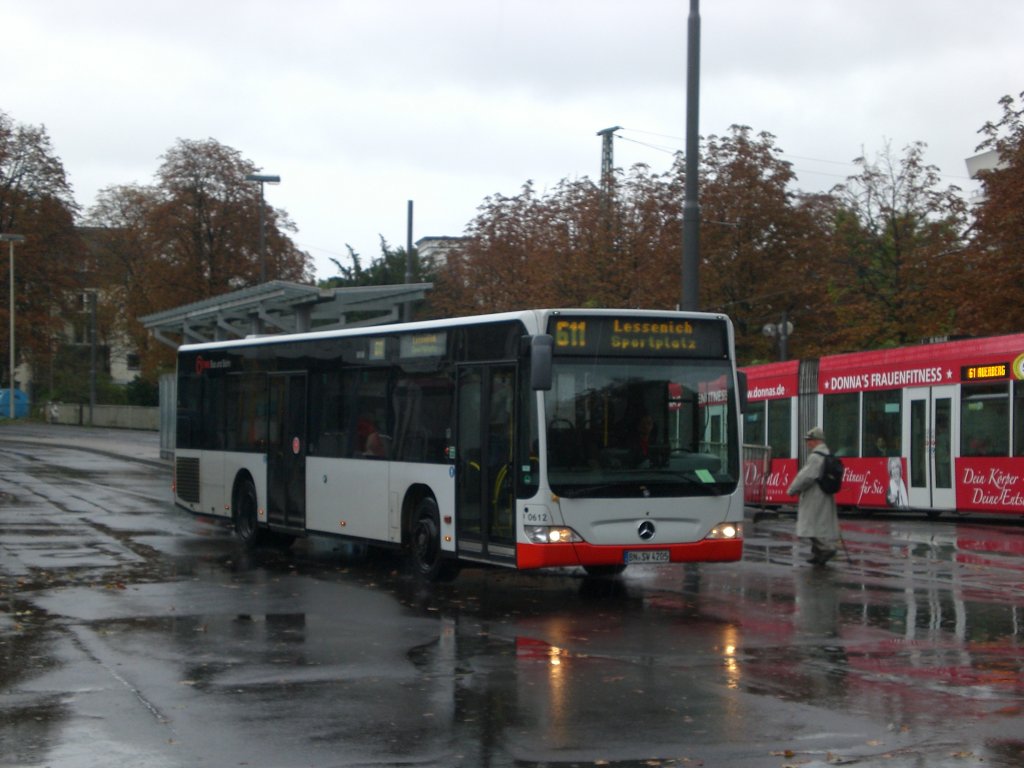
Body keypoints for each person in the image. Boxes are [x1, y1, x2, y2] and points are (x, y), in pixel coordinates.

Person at [786, 426, 840, 566]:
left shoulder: (815, 457)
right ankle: (818, 553)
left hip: (814, 497)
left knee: (809, 524)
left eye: (809, 440)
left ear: (816, 441)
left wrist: (792, 489)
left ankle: (826, 549)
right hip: (824, 496)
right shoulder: (827, 454)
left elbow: (805, 477)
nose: (807, 443)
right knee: (818, 524)